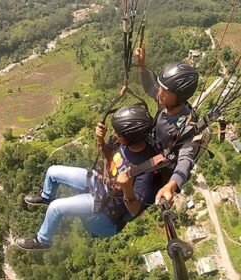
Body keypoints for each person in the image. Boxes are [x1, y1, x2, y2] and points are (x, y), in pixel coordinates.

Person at [15, 105, 158, 250]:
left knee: (55, 208)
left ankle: (42, 240)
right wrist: (100, 139)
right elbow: (107, 159)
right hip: (100, 183)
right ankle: (46, 196)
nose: (114, 134)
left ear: (131, 137)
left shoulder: (144, 168)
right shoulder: (123, 144)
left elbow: (134, 210)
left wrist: (127, 188)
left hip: (106, 209)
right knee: (53, 172)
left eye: (118, 133)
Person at [135, 46, 199, 204]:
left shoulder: (188, 126)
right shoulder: (165, 103)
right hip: (151, 152)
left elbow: (186, 159)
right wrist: (142, 66)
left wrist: (172, 184)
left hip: (162, 168)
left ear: (180, 96)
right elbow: (150, 87)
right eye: (161, 88)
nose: (159, 93)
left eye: (165, 91)